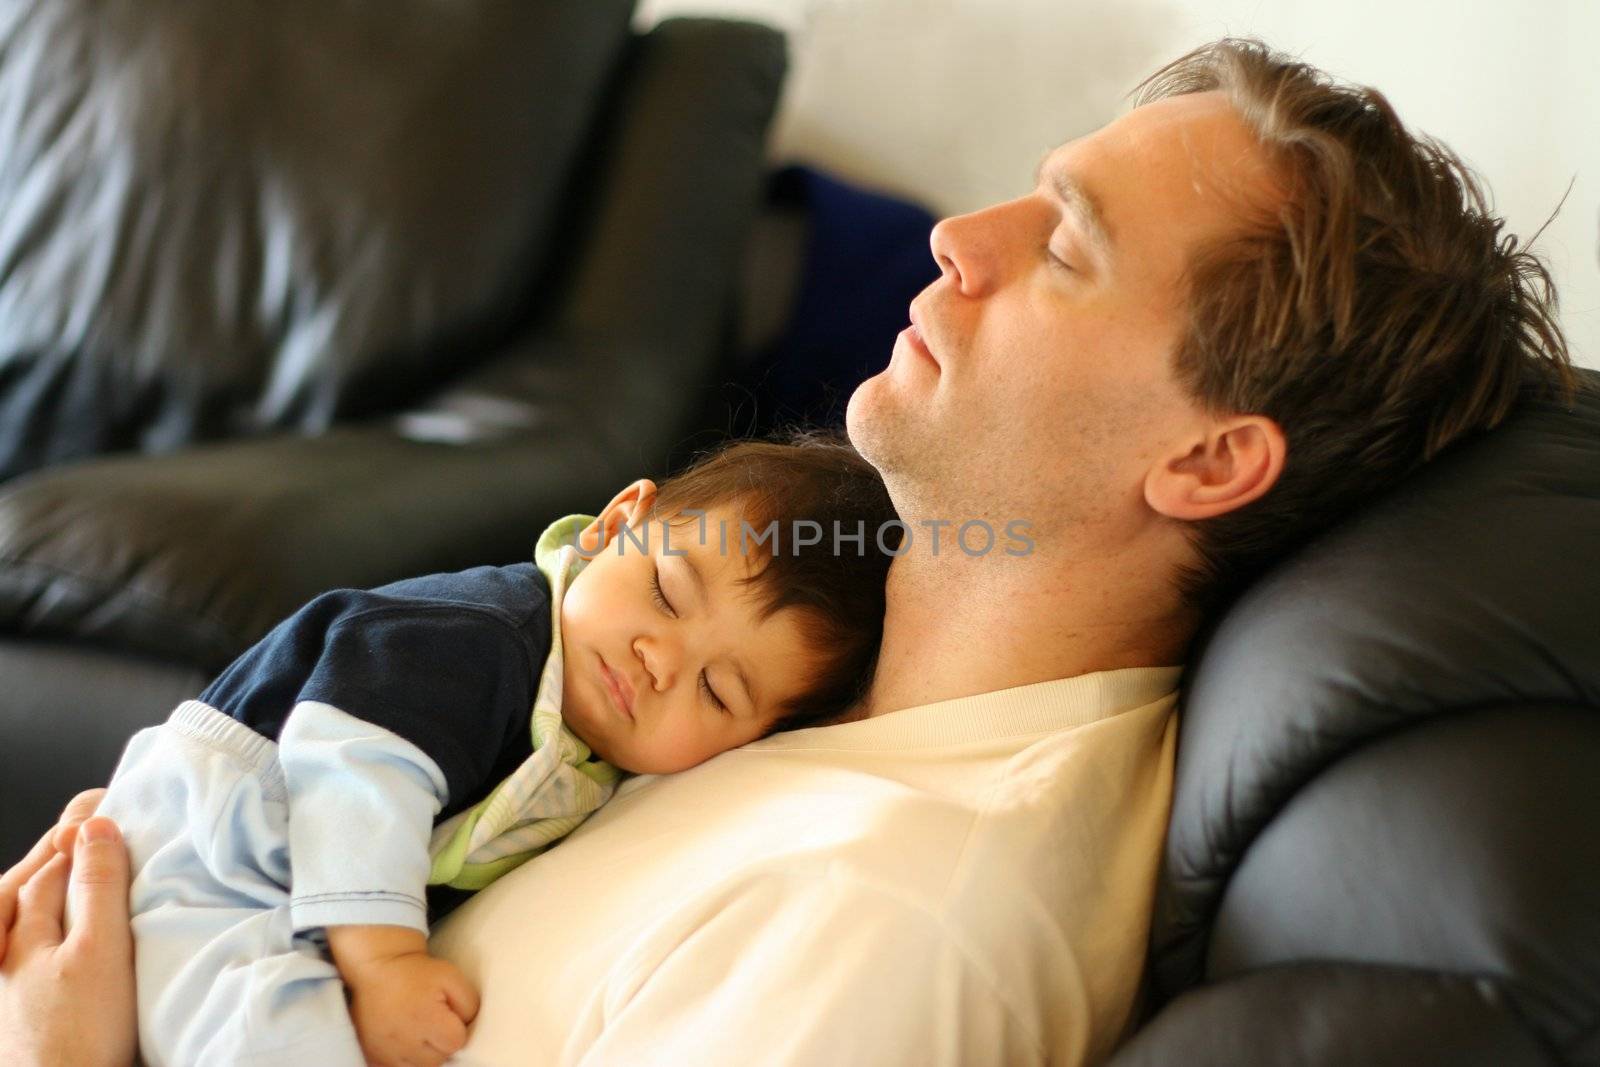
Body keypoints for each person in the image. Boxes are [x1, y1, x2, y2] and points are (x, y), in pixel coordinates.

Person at [1, 36, 1575, 1067]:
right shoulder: (829, 696)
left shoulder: (895, 924)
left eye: (1069, 244)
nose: (962, 237)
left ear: (1209, 459)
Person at [75, 429, 899, 1067]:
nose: (660, 660)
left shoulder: (603, 752)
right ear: (617, 524)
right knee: (270, 1035)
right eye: (666, 592)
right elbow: (354, 769)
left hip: (288, 884)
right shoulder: (484, 634)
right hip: (219, 833)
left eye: (718, 692)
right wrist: (384, 959)